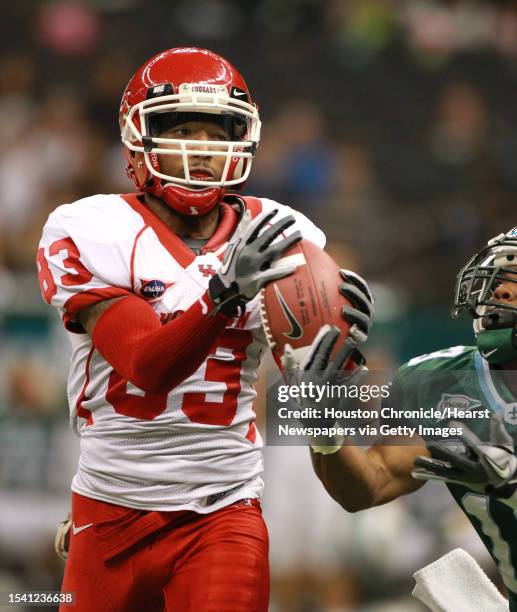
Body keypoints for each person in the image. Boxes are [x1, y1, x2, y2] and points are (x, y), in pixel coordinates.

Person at [35, 47, 373, 612]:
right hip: (108, 507)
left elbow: (333, 405)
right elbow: (147, 365)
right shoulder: (90, 227)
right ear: (136, 137)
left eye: (217, 133)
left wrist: (334, 373)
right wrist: (223, 294)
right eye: (181, 129)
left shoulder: (282, 232)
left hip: (222, 509)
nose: (200, 149)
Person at [290, 227, 517, 610]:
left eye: (515, 281)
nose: (500, 292)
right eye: (498, 279)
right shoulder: (441, 381)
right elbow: (369, 486)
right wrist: (323, 424)